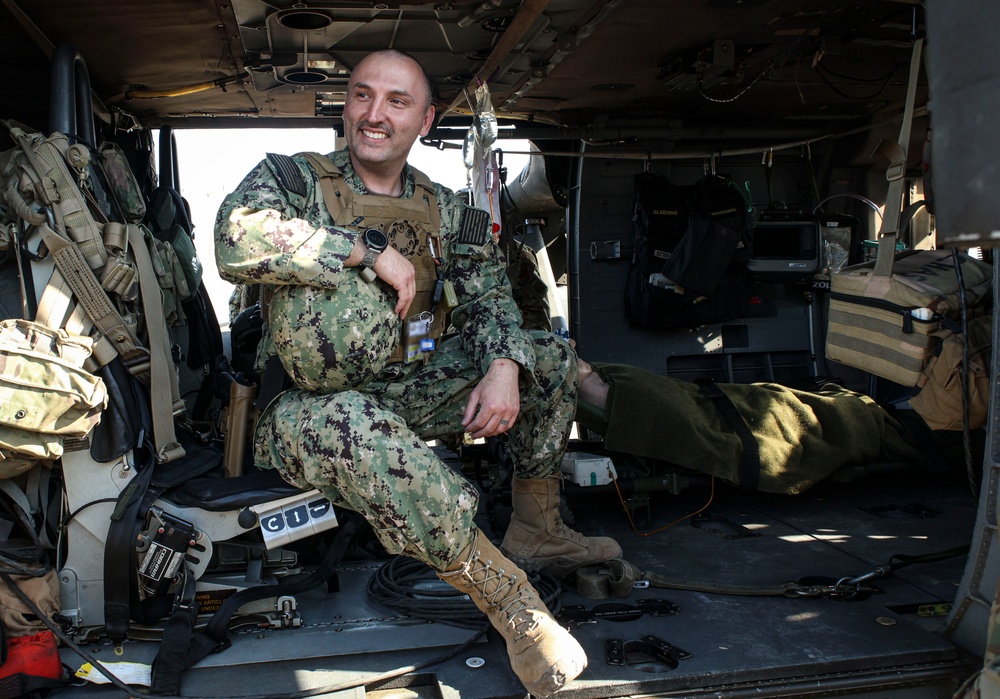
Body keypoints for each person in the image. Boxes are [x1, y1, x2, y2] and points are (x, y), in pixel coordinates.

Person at [214, 49, 621, 697]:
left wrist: (503, 364)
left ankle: (537, 528)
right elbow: (234, 236)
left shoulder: (449, 207)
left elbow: (489, 297)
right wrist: (361, 251)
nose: (375, 114)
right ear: (346, 105)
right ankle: (510, 597)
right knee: (363, 428)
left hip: (407, 384)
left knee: (545, 355)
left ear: (425, 119)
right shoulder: (293, 180)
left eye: (396, 101)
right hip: (307, 407)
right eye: (362, 96)